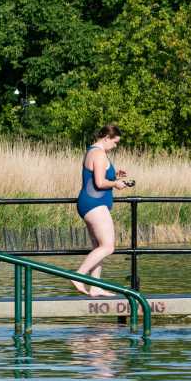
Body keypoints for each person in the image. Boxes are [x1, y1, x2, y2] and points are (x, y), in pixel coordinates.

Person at [72, 124, 129, 297]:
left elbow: (99, 177)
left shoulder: (92, 151)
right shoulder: (98, 153)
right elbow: (99, 183)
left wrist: (115, 176)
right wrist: (115, 184)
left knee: (98, 246)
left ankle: (95, 287)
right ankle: (78, 275)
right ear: (106, 138)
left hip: (90, 203)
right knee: (108, 246)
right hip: (94, 204)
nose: (116, 146)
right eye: (115, 142)